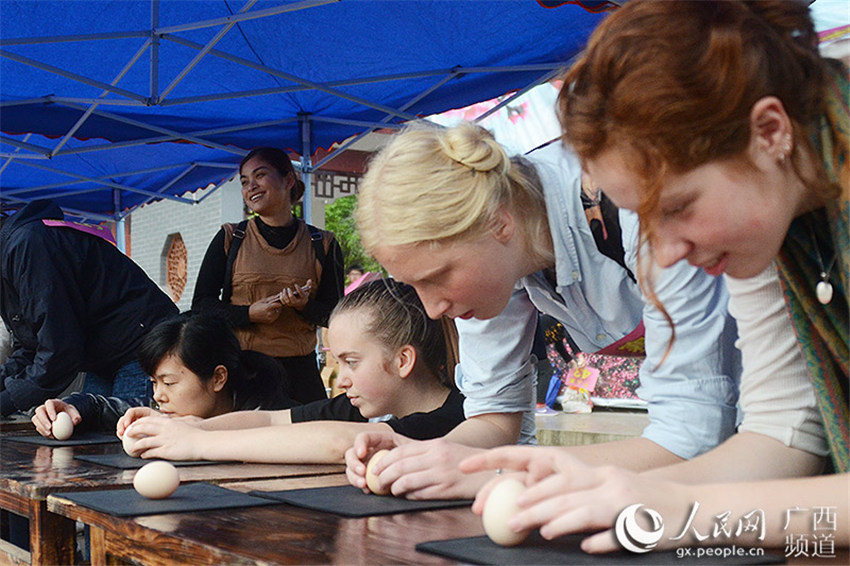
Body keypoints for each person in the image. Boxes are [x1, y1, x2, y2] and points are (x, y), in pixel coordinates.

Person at [461, 0, 848, 552]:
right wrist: (611, 488)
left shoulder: (757, 213)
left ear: (769, 131)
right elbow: (783, 434)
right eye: (642, 219)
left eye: (677, 207)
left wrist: (686, 511)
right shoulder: (765, 216)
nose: (663, 256)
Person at [344, 120, 746, 500]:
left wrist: (498, 473)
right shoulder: (500, 256)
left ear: (499, 223)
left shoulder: (629, 201)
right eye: (414, 286)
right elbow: (494, 419)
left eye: (438, 276)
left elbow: (691, 437)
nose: (432, 310)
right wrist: (420, 457)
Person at [115, 279, 465, 464]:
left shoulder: (451, 418)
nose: (341, 379)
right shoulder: (364, 407)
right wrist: (189, 426)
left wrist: (198, 444)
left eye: (352, 362)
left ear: (403, 361)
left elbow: (339, 444)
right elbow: (271, 420)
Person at [192, 147, 345, 404]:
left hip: (302, 376)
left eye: (260, 175)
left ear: (288, 180)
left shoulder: (323, 244)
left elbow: (336, 315)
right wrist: (249, 314)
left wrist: (304, 306)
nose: (251, 187)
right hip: (245, 372)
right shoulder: (231, 238)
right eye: (244, 182)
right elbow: (201, 306)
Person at [0, 199, 177, 417]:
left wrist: (7, 401)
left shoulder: (28, 244)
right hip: (101, 357)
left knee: (129, 432)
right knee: (84, 426)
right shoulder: (10, 256)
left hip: (141, 346)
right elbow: (31, 347)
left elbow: (59, 351)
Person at [30, 312, 296, 437]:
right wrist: (74, 407)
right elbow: (106, 409)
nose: (158, 396)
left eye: (169, 382)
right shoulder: (166, 411)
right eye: (154, 383)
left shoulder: (280, 420)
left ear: (218, 378)